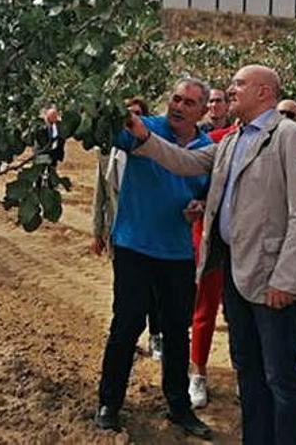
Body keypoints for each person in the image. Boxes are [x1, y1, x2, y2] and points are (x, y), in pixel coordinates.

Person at [126, 65, 296, 444]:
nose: (231, 90)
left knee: (282, 377)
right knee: (248, 369)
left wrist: (286, 277)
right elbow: (187, 162)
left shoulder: (291, 137)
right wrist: (145, 137)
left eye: (239, 84)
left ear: (264, 92)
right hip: (236, 270)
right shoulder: (233, 139)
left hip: (272, 279)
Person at [94, 79, 213, 439]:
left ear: (203, 111)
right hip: (134, 245)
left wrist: (200, 207)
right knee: (127, 325)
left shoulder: (207, 150)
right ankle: (109, 404)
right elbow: (113, 135)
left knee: (178, 331)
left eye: (189, 102)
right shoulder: (147, 129)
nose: (178, 106)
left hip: (177, 252)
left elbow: (209, 196)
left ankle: (179, 407)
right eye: (175, 98)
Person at [90, 97, 164, 360]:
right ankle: (126, 343)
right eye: (126, 115)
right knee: (124, 291)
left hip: (149, 230)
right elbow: (100, 193)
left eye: (136, 114)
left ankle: (157, 336)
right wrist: (97, 231)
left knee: (153, 290)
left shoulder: (152, 149)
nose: (131, 119)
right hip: (120, 232)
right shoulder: (106, 152)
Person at [187, 120, 237, 409]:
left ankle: (245, 372)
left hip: (248, 246)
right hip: (211, 241)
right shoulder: (217, 141)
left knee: (242, 315)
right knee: (204, 311)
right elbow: (191, 176)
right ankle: (198, 373)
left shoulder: (275, 142)